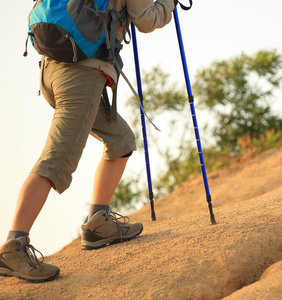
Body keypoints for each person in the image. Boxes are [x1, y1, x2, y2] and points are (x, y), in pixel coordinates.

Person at [0, 0, 175, 283]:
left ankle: (98, 223)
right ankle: (13, 246)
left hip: (51, 67)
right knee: (56, 159)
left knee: (120, 139)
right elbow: (147, 20)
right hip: (80, 75)